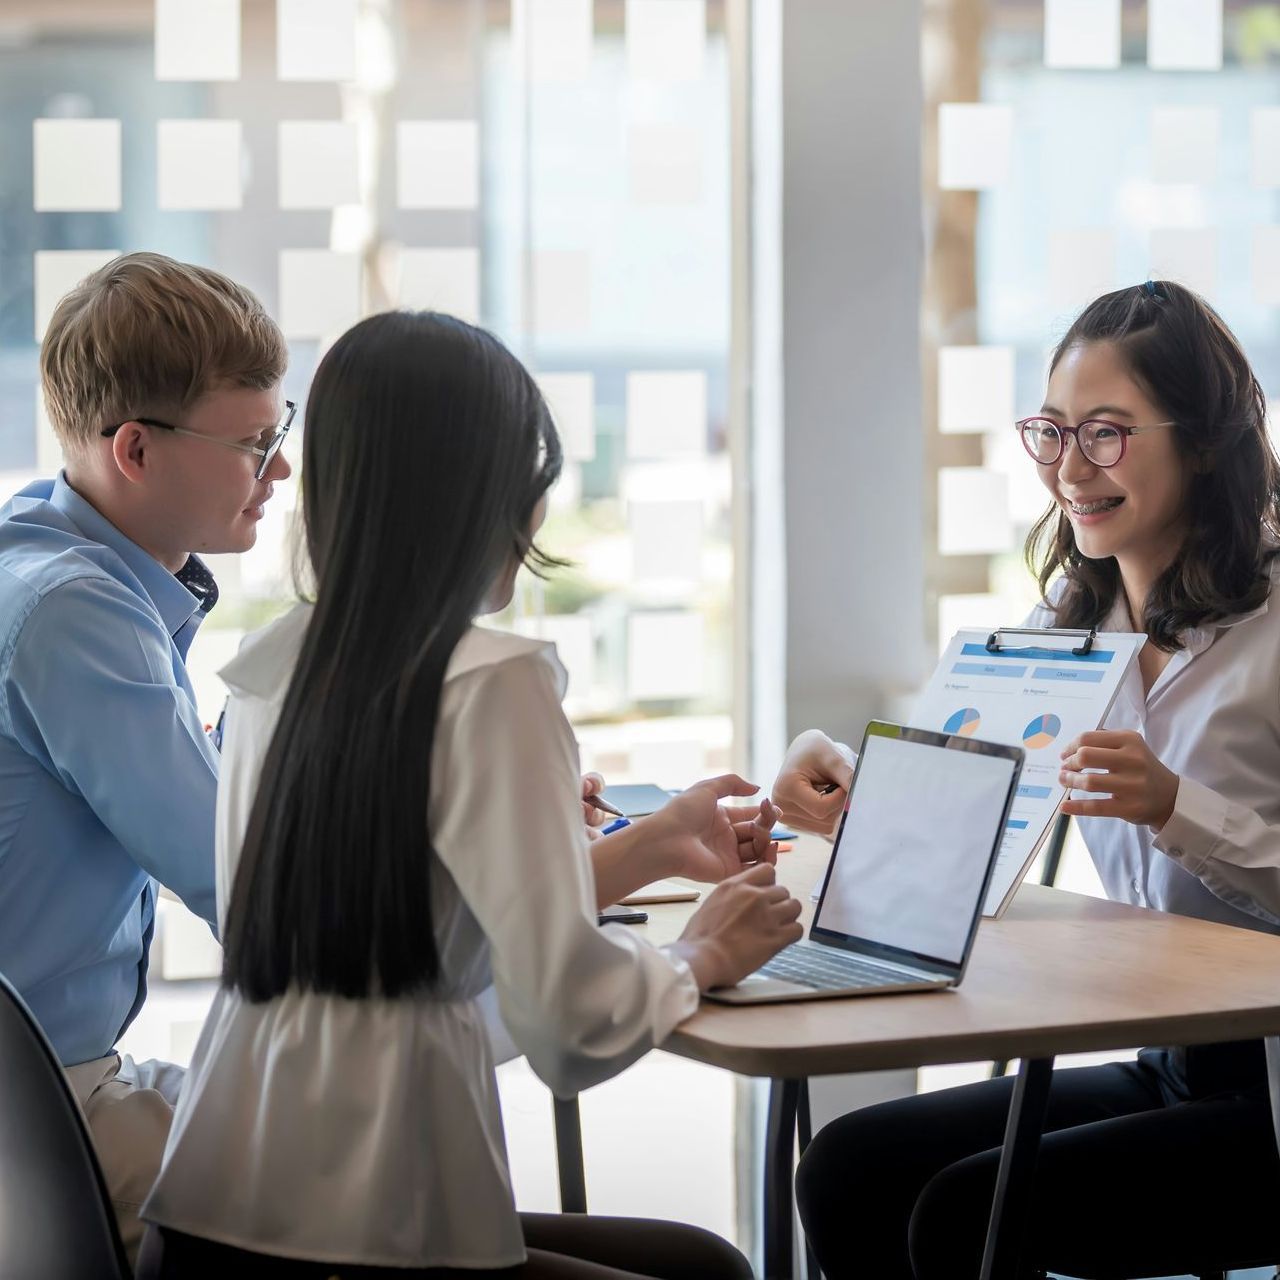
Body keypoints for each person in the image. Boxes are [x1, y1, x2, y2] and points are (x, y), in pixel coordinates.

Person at [138, 309, 803, 1278]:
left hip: (203, 1229)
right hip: (368, 1236)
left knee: (700, 1260)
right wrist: (696, 953)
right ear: (479, 496)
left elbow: (415, 946)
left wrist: (649, 843)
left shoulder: (269, 673)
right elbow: (566, 1025)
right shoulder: (492, 680)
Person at [775, 281, 1280, 1278]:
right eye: (1049, 432)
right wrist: (837, 783)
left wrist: (1180, 807)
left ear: (1205, 440)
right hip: (1171, 1055)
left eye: (1104, 433)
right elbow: (939, 809)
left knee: (968, 1216)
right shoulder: (1063, 626)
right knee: (848, 1165)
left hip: (1267, 1083)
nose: (1067, 469)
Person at [0, 251, 293, 1261]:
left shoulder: (50, 559)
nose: (282, 468)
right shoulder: (75, 611)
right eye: (256, 441)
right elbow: (244, 883)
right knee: (356, 1182)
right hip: (38, 1113)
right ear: (135, 449)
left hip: (60, 1078)